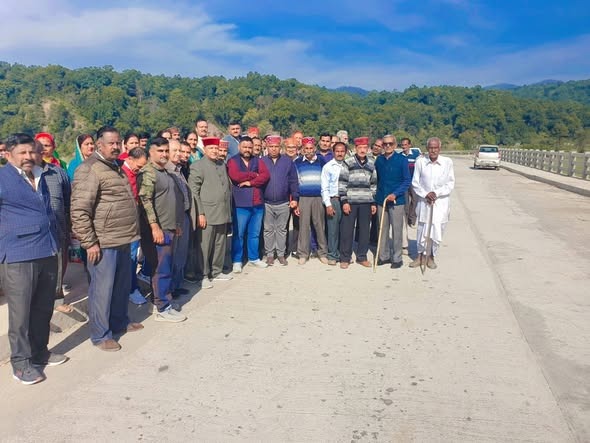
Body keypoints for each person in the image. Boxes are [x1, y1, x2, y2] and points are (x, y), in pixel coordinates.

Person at [0, 133, 67, 385]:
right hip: (18, 255)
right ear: (8, 155)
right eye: (22, 153)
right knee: (20, 314)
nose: (28, 157)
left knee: (42, 308)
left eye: (31, 151)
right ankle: (21, 364)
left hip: (47, 249)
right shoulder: (3, 178)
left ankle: (40, 352)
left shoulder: (40, 175)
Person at [71, 126, 144, 352]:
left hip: (123, 237)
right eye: (110, 143)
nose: (115, 147)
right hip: (103, 242)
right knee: (102, 290)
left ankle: (119, 321)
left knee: (121, 287)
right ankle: (100, 334)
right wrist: (90, 242)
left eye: (117, 143)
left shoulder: (117, 167)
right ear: (99, 145)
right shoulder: (89, 169)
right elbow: (80, 210)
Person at [137, 137, 187, 322]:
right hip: (158, 230)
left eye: (166, 150)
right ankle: (162, 308)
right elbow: (145, 202)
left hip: (169, 227)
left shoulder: (166, 172)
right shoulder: (148, 173)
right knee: (161, 269)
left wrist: (177, 225)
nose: (164, 154)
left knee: (166, 267)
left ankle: (164, 300)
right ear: (151, 152)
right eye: (160, 151)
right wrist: (155, 227)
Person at [34, 140, 73, 313]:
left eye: (45, 146)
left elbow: (68, 201)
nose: (41, 150)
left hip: (58, 228)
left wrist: (70, 226)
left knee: (58, 265)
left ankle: (57, 299)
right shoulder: (22, 176)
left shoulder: (58, 172)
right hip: (34, 233)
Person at [189, 137, 232, 287]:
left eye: (216, 148)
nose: (214, 151)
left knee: (220, 243)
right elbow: (194, 191)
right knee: (204, 246)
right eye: (211, 148)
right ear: (205, 150)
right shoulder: (198, 166)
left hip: (222, 211)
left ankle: (216, 271)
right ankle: (203, 275)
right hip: (207, 213)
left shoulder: (221, 164)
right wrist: (200, 213)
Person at [409, 137, 455, 270]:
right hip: (424, 202)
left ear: (440, 149)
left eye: (435, 148)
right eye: (430, 148)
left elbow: (450, 183)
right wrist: (426, 194)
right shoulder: (421, 162)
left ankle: (431, 257)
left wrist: (436, 193)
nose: (433, 150)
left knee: (437, 230)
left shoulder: (447, 162)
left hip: (440, 203)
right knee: (422, 229)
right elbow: (415, 182)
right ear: (427, 148)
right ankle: (420, 256)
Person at [227, 136, 270, 272]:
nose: (247, 150)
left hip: (257, 202)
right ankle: (237, 260)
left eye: (249, 147)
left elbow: (265, 176)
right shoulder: (233, 161)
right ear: (239, 147)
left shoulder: (258, 160)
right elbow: (235, 176)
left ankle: (253, 258)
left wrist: (250, 182)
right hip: (240, 203)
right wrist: (254, 175)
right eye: (244, 147)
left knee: (254, 233)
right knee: (239, 233)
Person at [338, 137, 377, 269]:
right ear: (355, 148)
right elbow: (342, 183)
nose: (362, 150)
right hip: (351, 202)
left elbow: (373, 184)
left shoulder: (371, 164)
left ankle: (362, 257)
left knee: (364, 231)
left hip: (366, 202)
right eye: (360, 148)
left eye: (365, 148)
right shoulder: (348, 162)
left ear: (368, 149)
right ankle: (345, 258)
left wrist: (373, 202)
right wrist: (344, 201)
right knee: (347, 231)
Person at [374, 135, 412, 269]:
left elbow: (407, 181)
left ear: (395, 145)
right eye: (385, 144)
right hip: (381, 199)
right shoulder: (379, 160)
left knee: (397, 230)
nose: (388, 146)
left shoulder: (402, 160)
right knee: (382, 229)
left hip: (397, 200)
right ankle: (383, 256)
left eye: (390, 143)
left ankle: (397, 258)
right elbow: (376, 180)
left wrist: (395, 194)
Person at [261, 135, 299, 266]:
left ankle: (281, 254)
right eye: (271, 146)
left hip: (283, 202)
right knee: (268, 230)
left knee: (282, 230)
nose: (273, 149)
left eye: (276, 146)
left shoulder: (287, 162)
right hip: (266, 202)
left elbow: (293, 181)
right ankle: (270, 254)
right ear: (267, 147)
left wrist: (295, 198)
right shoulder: (262, 161)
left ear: (280, 148)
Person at [293, 137, 329, 265]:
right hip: (304, 198)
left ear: (315, 148)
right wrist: (296, 201)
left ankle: (322, 252)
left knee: (319, 226)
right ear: (303, 149)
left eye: (311, 148)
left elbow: (326, 179)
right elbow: (295, 182)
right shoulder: (297, 162)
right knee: (303, 226)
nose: (309, 151)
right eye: (306, 148)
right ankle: (303, 254)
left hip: (318, 197)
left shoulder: (321, 161)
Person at [121, 147, 148, 305]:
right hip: (125, 223)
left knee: (133, 255)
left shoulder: (136, 173)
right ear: (130, 159)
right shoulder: (121, 173)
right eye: (138, 166)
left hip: (136, 220)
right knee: (130, 257)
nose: (140, 169)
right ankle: (131, 289)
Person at [166, 139, 193, 297]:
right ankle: (168, 289)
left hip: (184, 215)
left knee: (180, 254)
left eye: (180, 151)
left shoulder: (179, 169)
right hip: (173, 218)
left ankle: (176, 284)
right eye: (175, 151)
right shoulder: (167, 171)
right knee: (172, 255)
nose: (179, 154)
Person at [321, 142, 347, 265]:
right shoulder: (328, 167)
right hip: (334, 199)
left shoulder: (348, 165)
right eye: (337, 151)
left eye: (342, 151)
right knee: (332, 230)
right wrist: (328, 204)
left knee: (345, 229)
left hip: (346, 200)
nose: (340, 153)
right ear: (333, 152)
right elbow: (324, 187)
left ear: (345, 152)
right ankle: (332, 254)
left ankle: (344, 254)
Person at [400, 137, 420, 227]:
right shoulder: (399, 156)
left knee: (415, 200)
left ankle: (412, 218)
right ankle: (407, 219)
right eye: (402, 145)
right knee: (406, 203)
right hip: (404, 182)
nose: (404, 146)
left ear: (409, 145)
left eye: (405, 145)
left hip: (413, 181)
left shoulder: (416, 155)